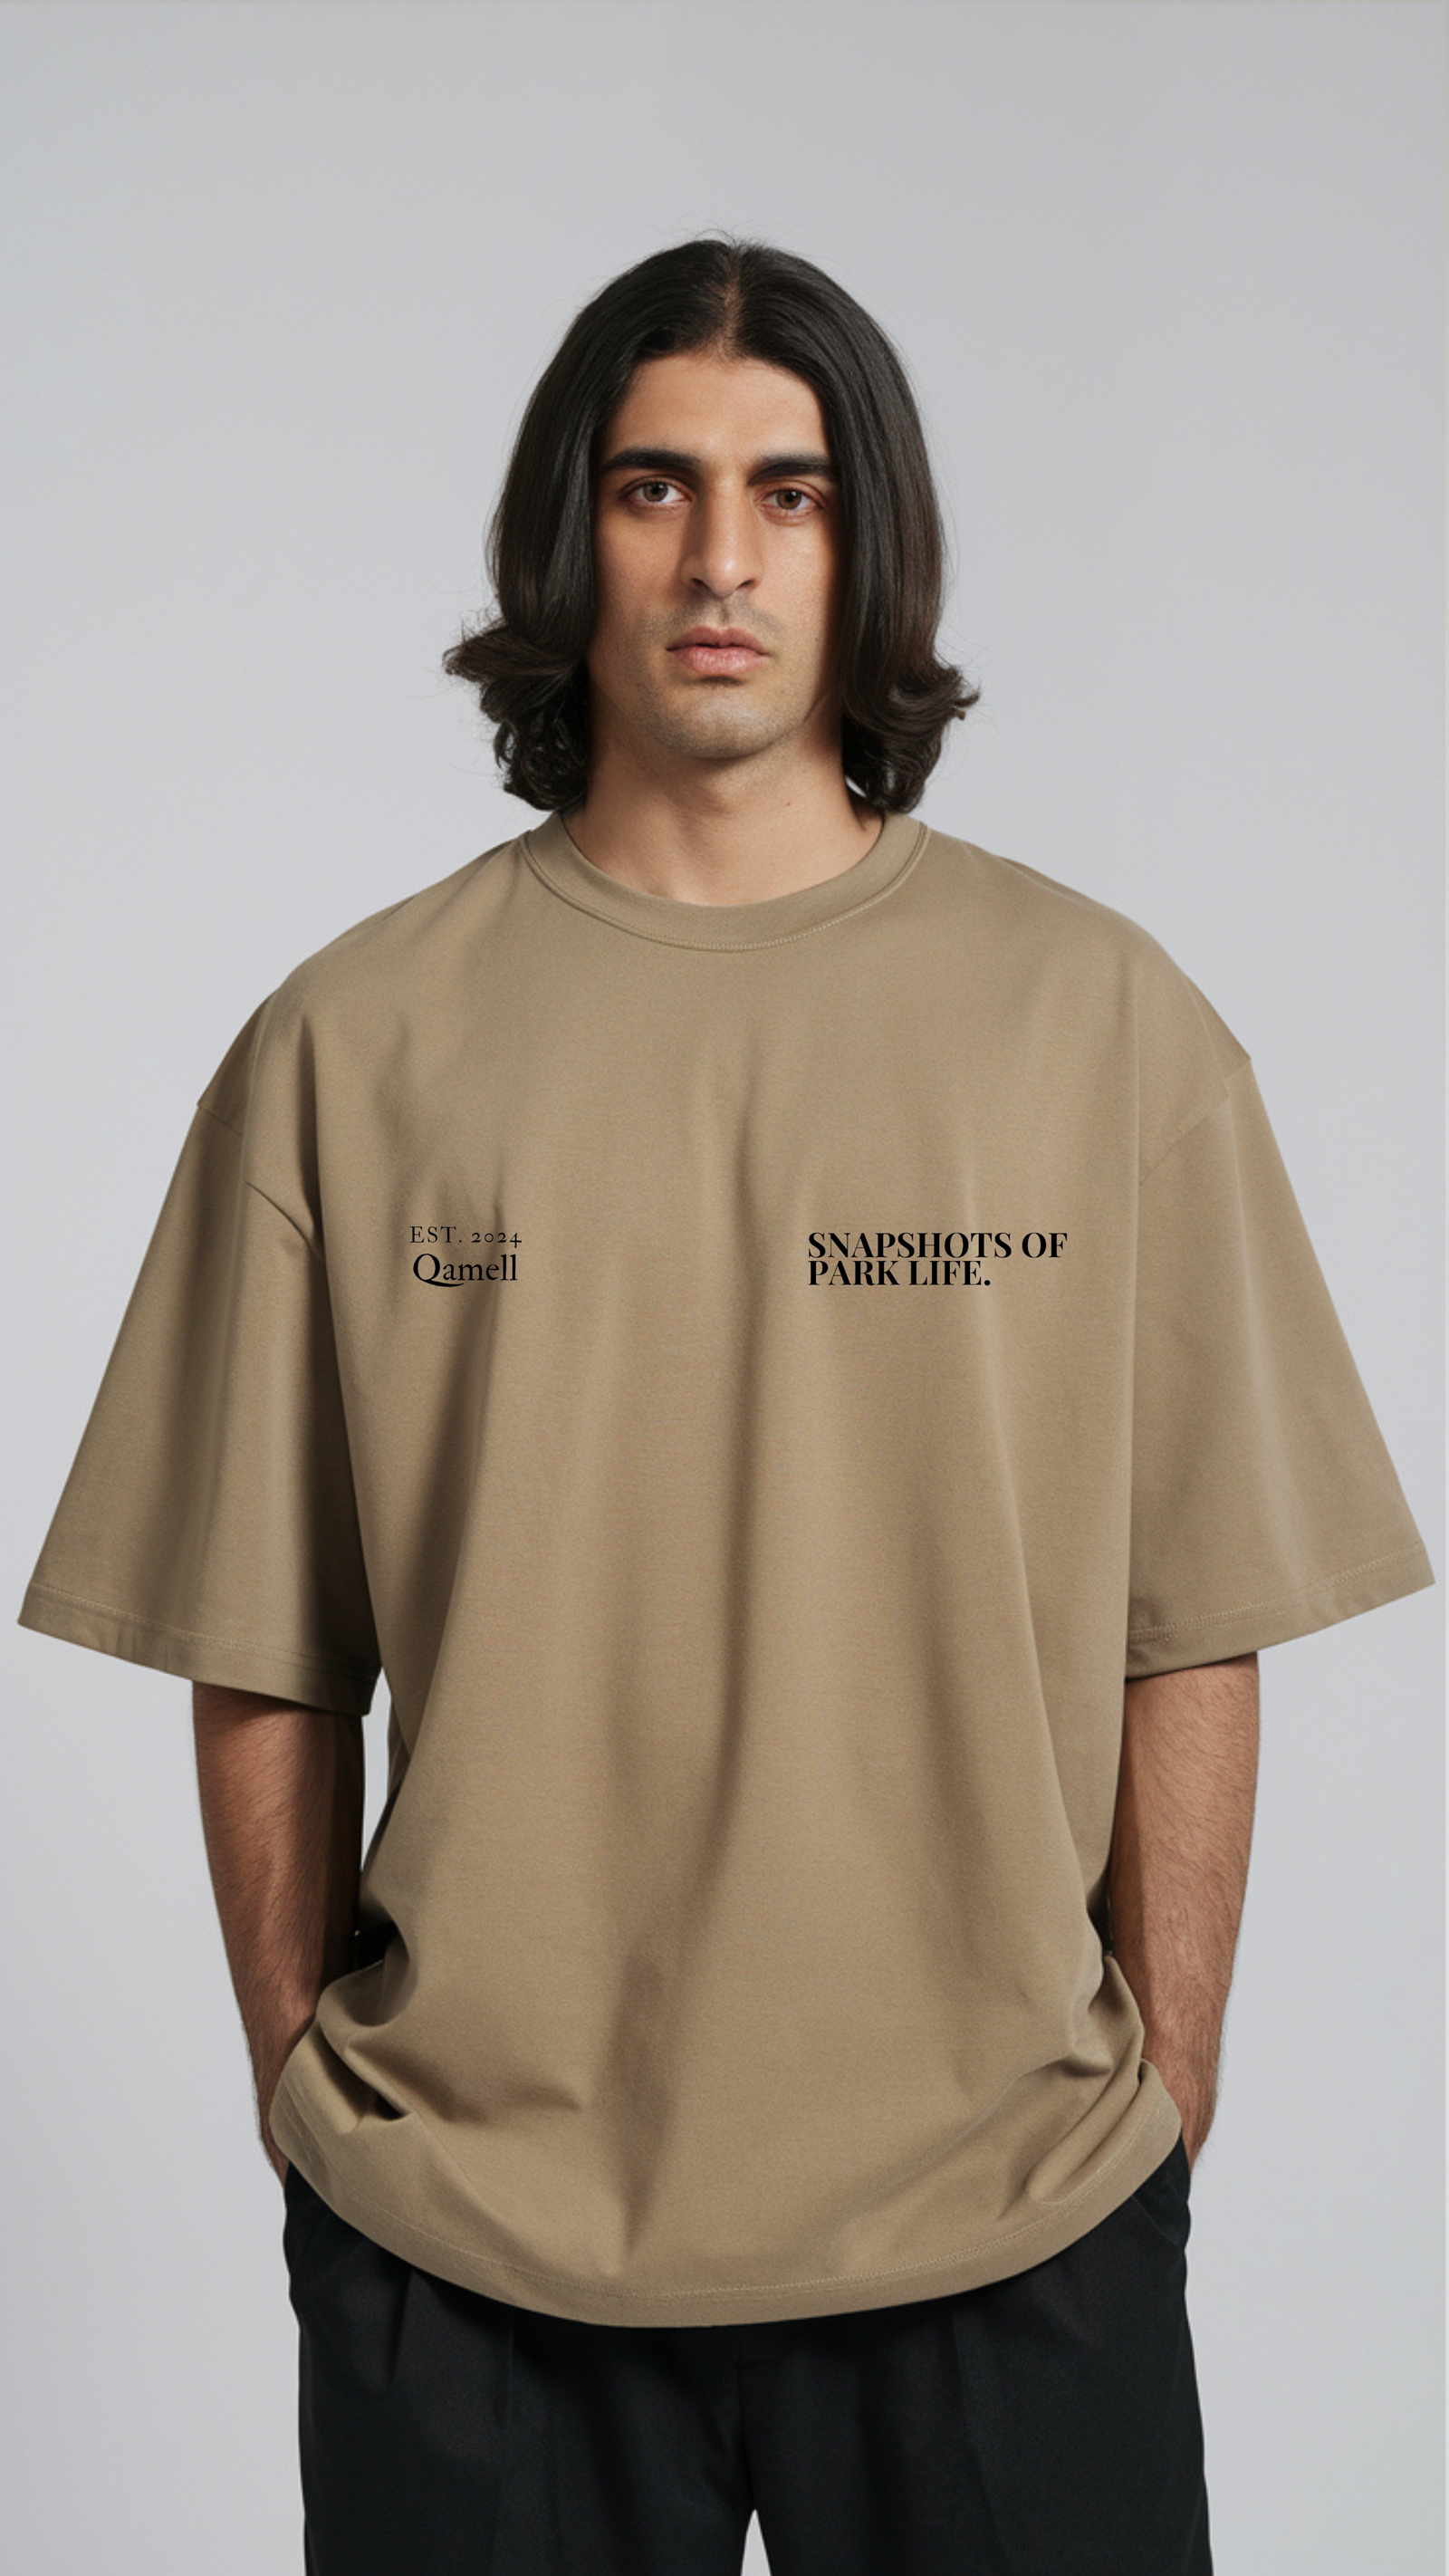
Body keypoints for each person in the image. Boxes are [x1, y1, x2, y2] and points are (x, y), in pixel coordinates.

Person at [16, 235, 1433, 2575]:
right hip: (471, 2243)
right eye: (655, 486)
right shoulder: (349, 1049)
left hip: (1011, 2219)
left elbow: (1195, 1617)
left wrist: (1167, 2093)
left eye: (793, 491)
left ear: (872, 549)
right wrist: (305, 2094)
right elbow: (256, 1635)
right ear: (566, 540)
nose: (722, 559)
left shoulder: (1106, 1030)